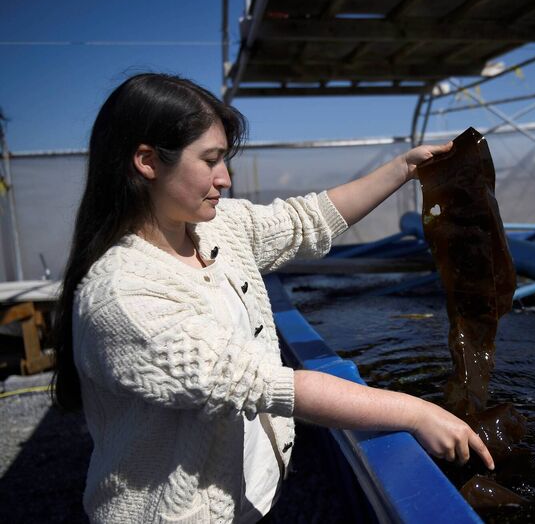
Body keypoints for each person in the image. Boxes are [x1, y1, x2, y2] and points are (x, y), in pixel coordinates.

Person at [50, 73, 494, 524]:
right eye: (211, 160)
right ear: (147, 161)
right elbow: (269, 384)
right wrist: (416, 412)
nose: (224, 178)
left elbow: (308, 221)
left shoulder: (213, 227)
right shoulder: (123, 296)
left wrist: (405, 167)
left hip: (247, 500)